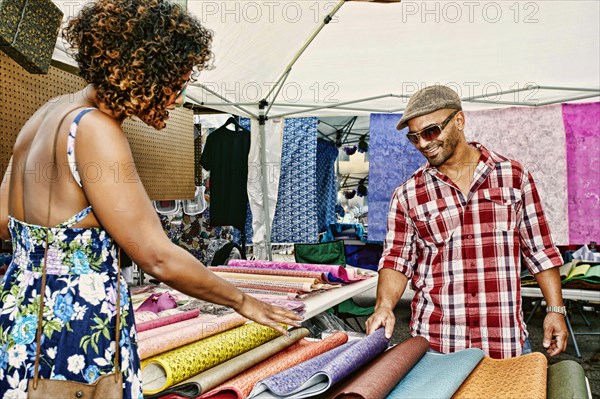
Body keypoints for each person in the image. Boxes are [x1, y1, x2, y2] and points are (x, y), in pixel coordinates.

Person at [0, 1, 301, 397]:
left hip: (22, 313)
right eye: (176, 82)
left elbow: (5, 221)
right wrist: (242, 301)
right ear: (137, 71)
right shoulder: (94, 129)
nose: (177, 99)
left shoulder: (46, 114)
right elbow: (156, 256)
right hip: (75, 324)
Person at [365, 85, 567, 359]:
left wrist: (555, 310)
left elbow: (540, 251)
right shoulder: (407, 194)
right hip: (436, 346)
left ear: (459, 121)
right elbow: (396, 260)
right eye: (415, 137)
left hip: (503, 343)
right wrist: (384, 306)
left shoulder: (514, 177)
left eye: (431, 131)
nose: (423, 143)